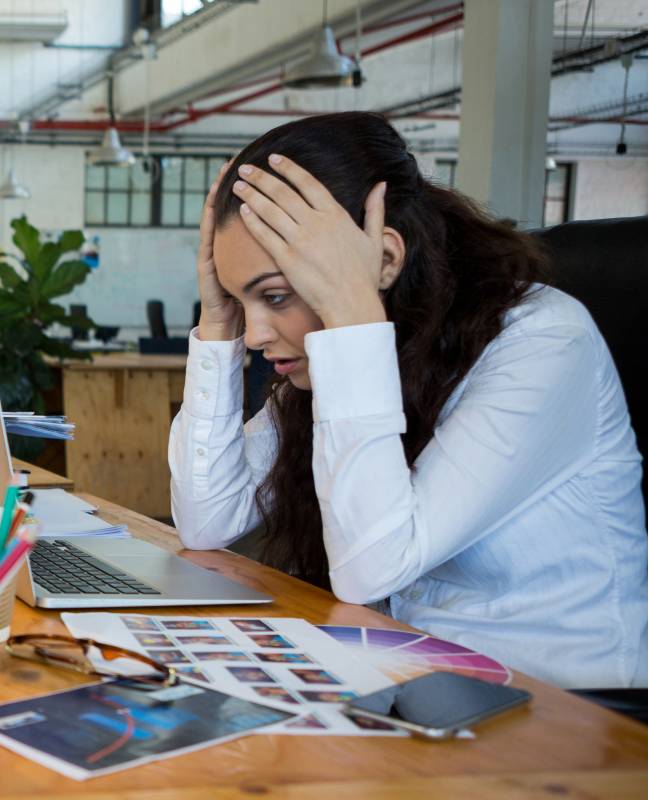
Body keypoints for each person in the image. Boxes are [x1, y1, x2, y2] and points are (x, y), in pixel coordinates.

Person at [169, 112, 645, 689]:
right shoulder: (341, 361)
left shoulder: (541, 341)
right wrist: (218, 323)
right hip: (414, 677)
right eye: (243, 301)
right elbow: (207, 520)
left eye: (275, 295)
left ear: (385, 260)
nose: (260, 333)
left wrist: (349, 314)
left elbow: (372, 567)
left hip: (559, 710)